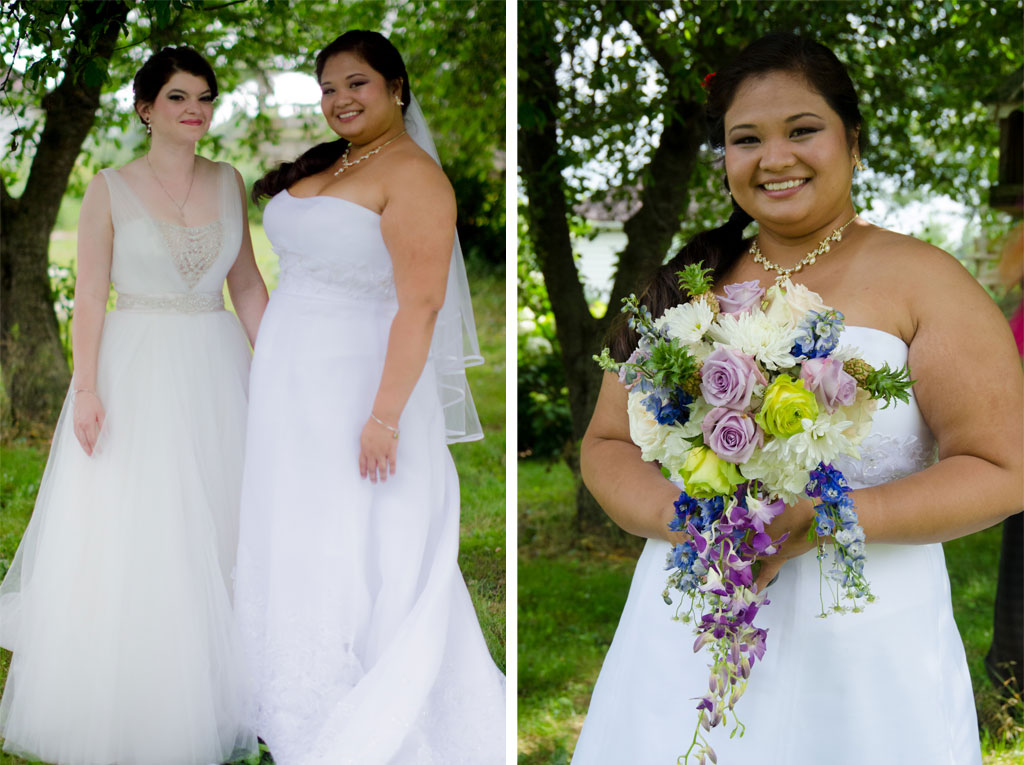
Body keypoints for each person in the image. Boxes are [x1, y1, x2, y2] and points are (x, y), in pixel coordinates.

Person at [573, 33, 1024, 765]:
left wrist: (832, 517)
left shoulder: (927, 280)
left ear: (852, 138)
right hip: (690, 625)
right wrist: (690, 520)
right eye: (744, 139)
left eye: (802, 130)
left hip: (867, 641)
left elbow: (1003, 466)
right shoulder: (686, 282)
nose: (773, 158)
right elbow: (607, 442)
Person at [233, 30, 504, 765]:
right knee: (295, 525)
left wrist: (383, 417)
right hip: (291, 383)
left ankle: (351, 693)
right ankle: (285, 683)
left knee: (354, 533)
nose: (339, 99)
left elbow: (418, 306)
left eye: (356, 83)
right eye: (327, 89)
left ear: (395, 88)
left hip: (363, 385)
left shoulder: (415, 177)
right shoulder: (338, 161)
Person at [0, 47, 266, 764]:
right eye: (179, 97)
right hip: (136, 362)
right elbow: (90, 295)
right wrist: (85, 387)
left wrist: (275, 371)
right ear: (146, 108)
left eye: (206, 97)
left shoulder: (228, 179)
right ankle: (142, 688)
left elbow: (246, 286)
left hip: (216, 364)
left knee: (223, 515)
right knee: (141, 522)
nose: (196, 110)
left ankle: (230, 684)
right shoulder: (108, 189)